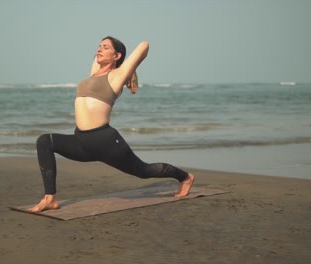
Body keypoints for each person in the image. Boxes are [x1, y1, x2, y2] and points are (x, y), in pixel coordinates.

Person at [29, 36, 195, 212]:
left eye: (105, 47)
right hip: (81, 141)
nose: (99, 49)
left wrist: (131, 69)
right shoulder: (94, 71)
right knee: (44, 141)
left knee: (142, 171)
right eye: (99, 46)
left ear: (117, 56)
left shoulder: (117, 76)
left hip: (105, 142)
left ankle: (185, 177)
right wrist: (125, 67)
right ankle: (50, 198)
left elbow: (144, 45)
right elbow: (100, 56)